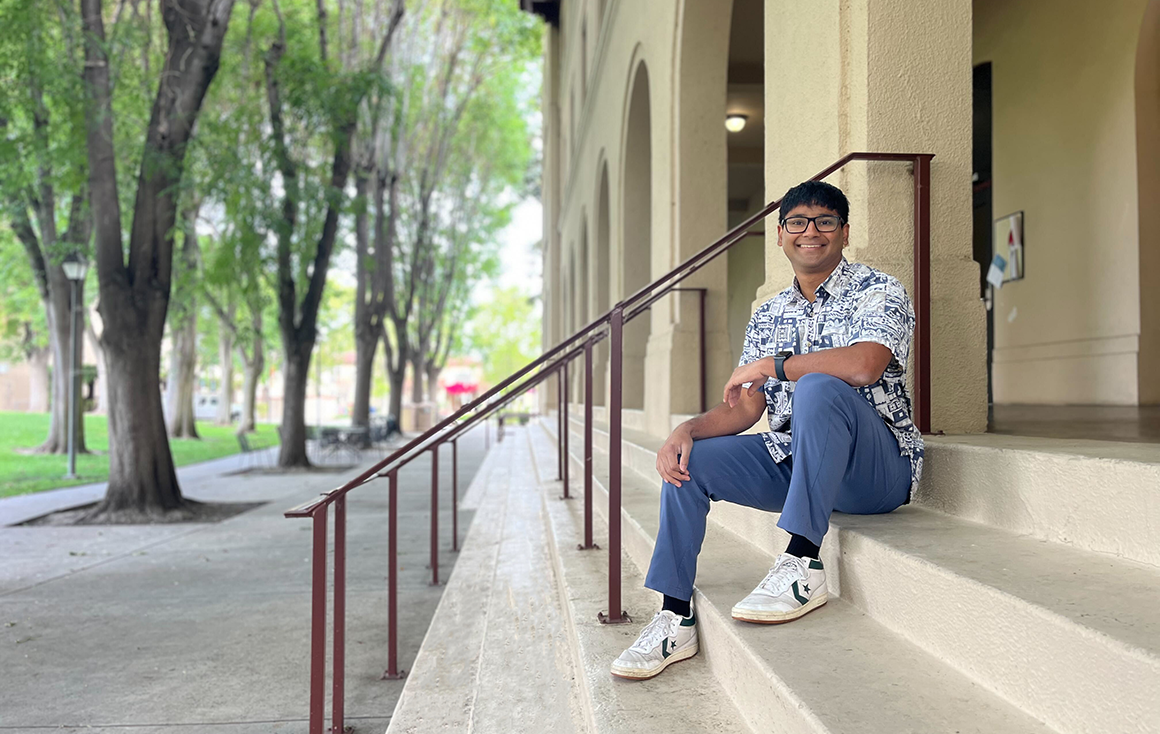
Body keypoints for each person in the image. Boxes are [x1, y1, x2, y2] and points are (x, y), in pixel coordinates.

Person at [610, 180, 924, 680]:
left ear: (844, 233)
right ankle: (674, 615)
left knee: (820, 386)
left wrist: (777, 366)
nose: (811, 232)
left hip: (876, 471)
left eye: (824, 222)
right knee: (691, 463)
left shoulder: (880, 289)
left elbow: (865, 366)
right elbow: (744, 408)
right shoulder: (769, 313)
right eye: (797, 222)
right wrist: (686, 429)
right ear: (780, 236)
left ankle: (802, 562)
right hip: (801, 461)